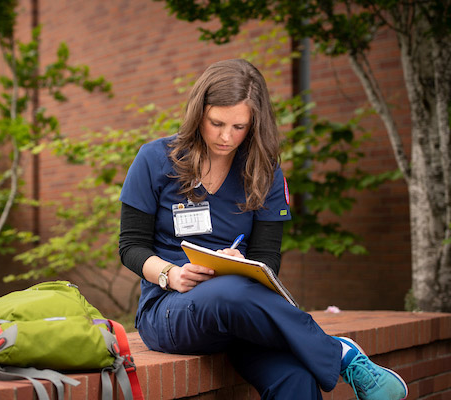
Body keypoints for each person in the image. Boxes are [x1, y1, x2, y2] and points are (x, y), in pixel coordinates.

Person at [118, 59, 408, 400]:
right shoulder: (155, 159)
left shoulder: (265, 172)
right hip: (170, 309)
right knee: (230, 293)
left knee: (296, 379)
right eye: (216, 123)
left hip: (245, 318)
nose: (226, 136)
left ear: (255, 124)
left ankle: (328, 353)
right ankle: (338, 354)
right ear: (199, 114)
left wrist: (240, 263)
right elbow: (131, 246)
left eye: (239, 126)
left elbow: (267, 258)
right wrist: (171, 274)